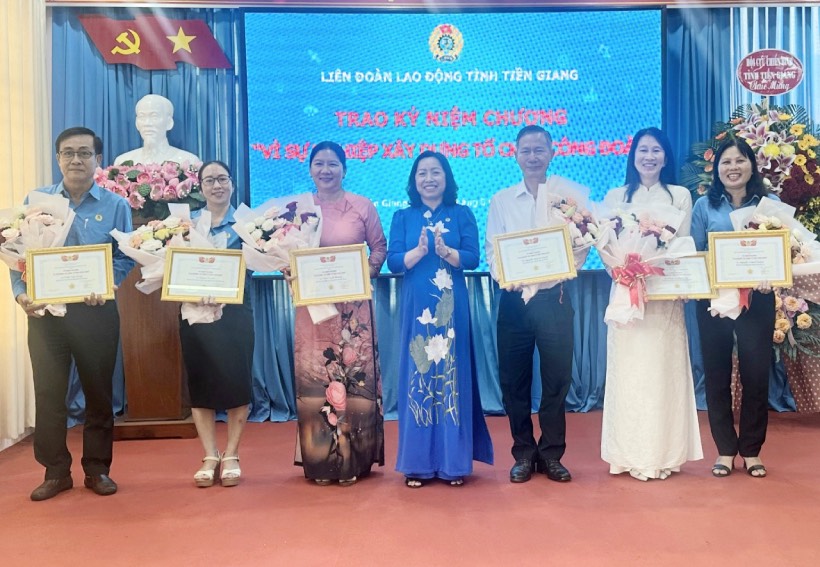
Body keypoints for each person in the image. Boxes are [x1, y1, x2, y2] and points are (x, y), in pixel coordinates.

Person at [10, 127, 134, 501]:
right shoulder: (36, 201)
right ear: (58, 158)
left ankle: (97, 470)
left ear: (98, 159)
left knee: (99, 395)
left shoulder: (116, 205)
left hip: (96, 312)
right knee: (49, 393)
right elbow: (17, 253)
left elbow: (125, 255)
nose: (76, 159)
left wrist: (109, 284)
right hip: (45, 315)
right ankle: (55, 471)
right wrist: (20, 295)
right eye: (68, 153)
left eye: (84, 152)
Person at [485, 125, 587, 484]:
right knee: (514, 382)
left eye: (539, 149)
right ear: (515, 155)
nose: (532, 156)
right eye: (525, 150)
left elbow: (582, 242)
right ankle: (524, 454)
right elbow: (492, 251)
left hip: (555, 297)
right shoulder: (501, 200)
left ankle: (552, 453)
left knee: (557, 380)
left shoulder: (567, 198)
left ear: (552, 152)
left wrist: (565, 265)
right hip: (514, 301)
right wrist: (509, 277)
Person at [600, 127, 703, 481]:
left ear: (665, 156)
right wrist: (620, 268)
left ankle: (663, 453)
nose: (649, 156)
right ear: (632, 156)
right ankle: (626, 453)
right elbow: (605, 246)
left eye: (656, 150)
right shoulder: (616, 196)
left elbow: (682, 246)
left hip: (663, 300)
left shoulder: (679, 196)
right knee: (630, 372)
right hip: (626, 296)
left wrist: (654, 267)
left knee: (662, 371)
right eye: (642, 150)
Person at [387, 151, 494, 487]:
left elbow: (474, 258)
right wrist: (418, 252)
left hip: (452, 308)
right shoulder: (403, 217)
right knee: (418, 375)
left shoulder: (461, 213)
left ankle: (452, 464)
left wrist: (448, 252)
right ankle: (417, 465)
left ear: (446, 179)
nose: (429, 178)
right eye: (422, 173)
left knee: (451, 379)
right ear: (413, 180)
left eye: (436, 172)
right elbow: (392, 262)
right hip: (417, 308)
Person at [292, 141, 386, 486]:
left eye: (333, 163)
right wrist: (289, 269)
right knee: (316, 379)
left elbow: (379, 247)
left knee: (354, 379)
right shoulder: (298, 209)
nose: (326, 169)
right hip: (313, 311)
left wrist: (366, 272)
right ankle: (320, 462)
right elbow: (284, 252)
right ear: (310, 169)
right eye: (319, 163)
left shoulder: (362, 206)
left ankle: (354, 461)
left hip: (354, 312)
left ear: (344, 169)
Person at [691, 137, 774, 478]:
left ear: (751, 165)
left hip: (758, 298)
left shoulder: (769, 205)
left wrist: (772, 275)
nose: (733, 167)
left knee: (756, 374)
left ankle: (752, 451)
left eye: (740, 160)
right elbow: (694, 253)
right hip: (714, 301)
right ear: (717, 169)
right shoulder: (703, 206)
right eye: (726, 161)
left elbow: (784, 251)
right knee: (716, 374)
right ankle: (725, 449)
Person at [181, 160, 254, 488]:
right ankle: (210, 454)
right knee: (201, 384)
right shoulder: (187, 225)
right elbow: (174, 267)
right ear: (200, 187)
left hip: (235, 312)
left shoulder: (248, 225)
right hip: (195, 313)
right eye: (209, 180)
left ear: (232, 184)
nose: (217, 186)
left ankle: (232, 453)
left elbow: (259, 262)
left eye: (223, 179)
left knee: (237, 381)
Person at [114, 94, 199, 166]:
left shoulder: (189, 161)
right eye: (142, 116)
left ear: (169, 123)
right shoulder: (122, 162)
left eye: (154, 116)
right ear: (136, 123)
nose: (147, 123)